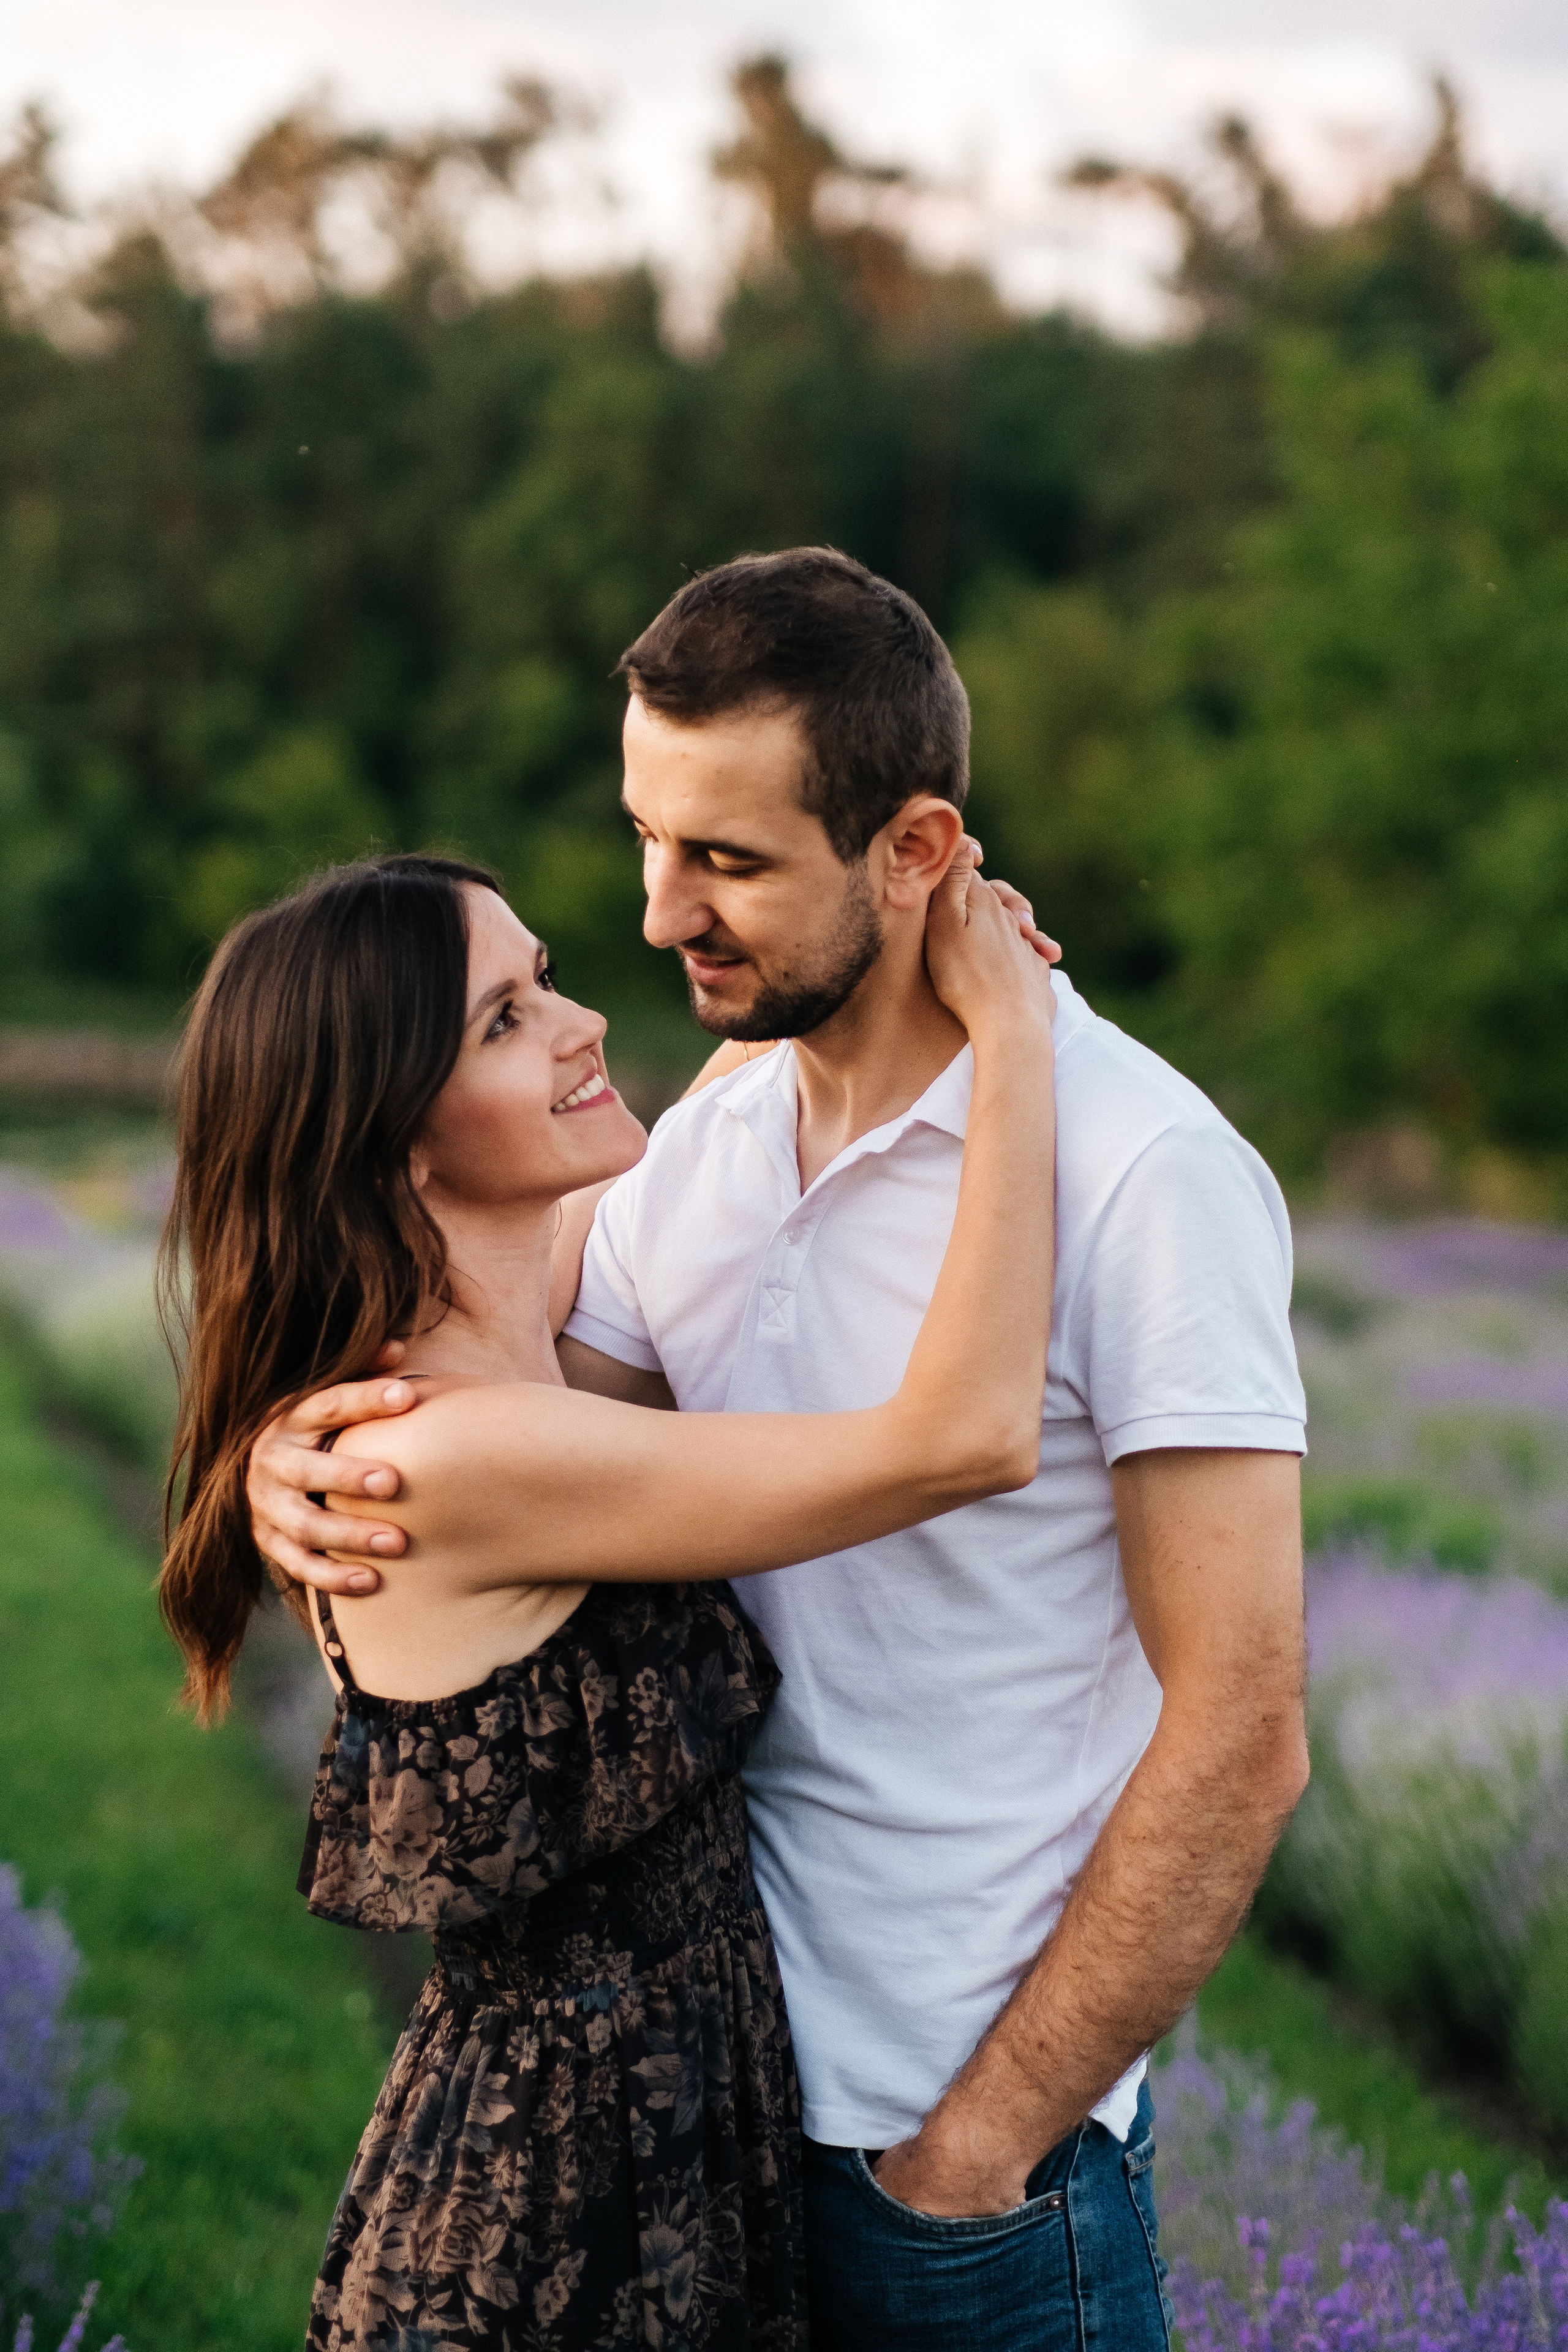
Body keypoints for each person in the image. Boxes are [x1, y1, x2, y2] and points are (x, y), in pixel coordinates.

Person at [251, 548, 1310, 2352]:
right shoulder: (701, 1147)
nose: (662, 916)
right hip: (696, 2151)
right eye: (649, 840)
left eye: (728, 860)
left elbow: (1246, 1732)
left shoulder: (1145, 1169)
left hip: (952, 2169)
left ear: (915, 854)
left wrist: (977, 2151)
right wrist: (306, 1463)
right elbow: (522, 1502)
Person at [160, 842, 1055, 2350]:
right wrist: (1013, 1039)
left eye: (545, 979)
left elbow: (722, 1084)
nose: (579, 1025)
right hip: (557, 2223)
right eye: (504, 1021)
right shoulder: (454, 1450)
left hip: (639, 2152)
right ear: (397, 1148)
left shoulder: (489, 1363)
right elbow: (964, 1437)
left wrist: (869, 926)